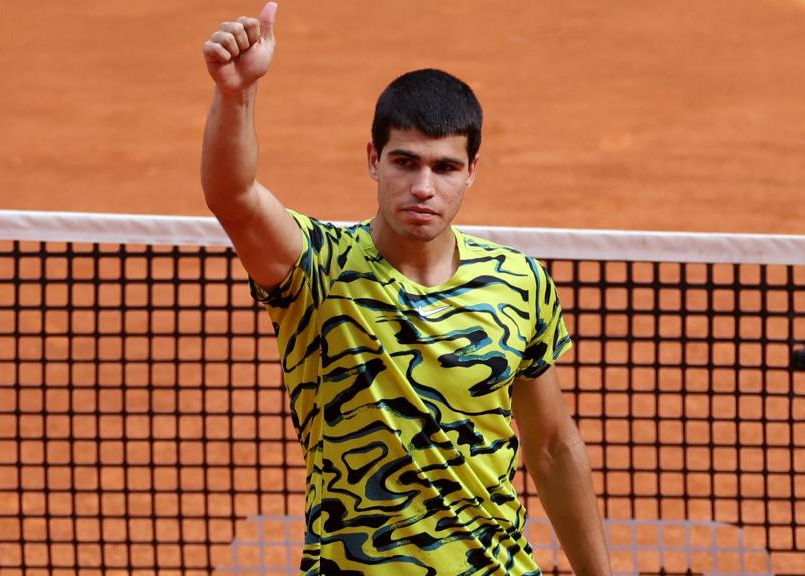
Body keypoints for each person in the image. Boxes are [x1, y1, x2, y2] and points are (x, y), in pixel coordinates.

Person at [201, 3, 611, 574]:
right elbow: (234, 198)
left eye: (444, 167)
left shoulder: (520, 281)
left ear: (471, 171)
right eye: (405, 162)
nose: (423, 187)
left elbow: (552, 446)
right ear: (374, 160)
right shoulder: (316, 268)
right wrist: (236, 93)